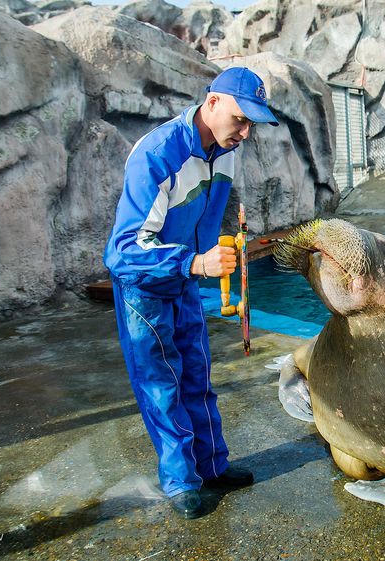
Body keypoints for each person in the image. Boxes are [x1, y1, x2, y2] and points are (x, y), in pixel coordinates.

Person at [103, 67, 279, 519]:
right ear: (213, 101)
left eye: (251, 123)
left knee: (198, 377)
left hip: (184, 281)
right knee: (162, 384)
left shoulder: (226, 151)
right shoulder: (158, 154)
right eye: (240, 118)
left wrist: (216, 252)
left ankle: (211, 466)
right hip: (144, 287)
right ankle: (180, 480)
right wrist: (195, 263)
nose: (245, 131)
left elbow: (200, 220)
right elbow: (122, 252)